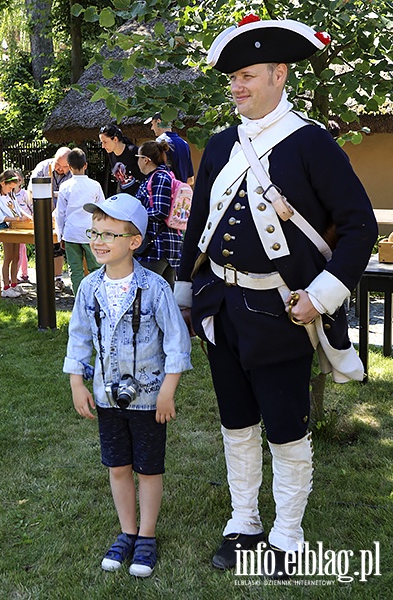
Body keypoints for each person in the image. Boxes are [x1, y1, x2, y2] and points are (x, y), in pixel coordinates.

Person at [174, 16, 378, 578]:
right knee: (235, 421)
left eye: (246, 76)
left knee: (286, 425)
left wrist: (322, 295)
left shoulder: (311, 143)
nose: (236, 87)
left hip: (283, 311)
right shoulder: (220, 144)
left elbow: (360, 227)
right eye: (232, 78)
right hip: (221, 306)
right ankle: (244, 522)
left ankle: (288, 533)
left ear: (279, 75)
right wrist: (188, 293)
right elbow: (199, 228)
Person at [63, 193, 192, 577]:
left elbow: (176, 344)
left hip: (149, 400)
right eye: (94, 232)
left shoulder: (155, 289)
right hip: (106, 398)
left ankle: (147, 537)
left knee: (149, 469)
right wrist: (77, 382)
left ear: (134, 242)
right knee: (118, 467)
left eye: (109, 234)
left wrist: (168, 390)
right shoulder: (88, 288)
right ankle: (127, 532)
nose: (98, 241)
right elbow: (79, 338)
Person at [55, 148, 105, 295]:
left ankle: (79, 300)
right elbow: (101, 210)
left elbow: (60, 213)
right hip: (90, 232)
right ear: (86, 165)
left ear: (69, 167)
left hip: (71, 233)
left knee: (75, 270)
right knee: (95, 267)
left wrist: (60, 236)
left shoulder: (65, 186)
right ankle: (96, 298)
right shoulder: (95, 185)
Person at [135, 140, 183, 289]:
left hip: (158, 247)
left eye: (138, 157)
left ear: (146, 159)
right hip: (164, 245)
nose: (137, 161)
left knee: (145, 292)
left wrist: (138, 214)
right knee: (165, 296)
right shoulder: (161, 176)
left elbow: (161, 211)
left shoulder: (159, 177)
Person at [27, 147, 72, 291]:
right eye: (58, 165)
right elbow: (31, 190)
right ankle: (43, 280)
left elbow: (71, 197)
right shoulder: (43, 167)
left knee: (57, 248)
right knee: (43, 247)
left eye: (65, 166)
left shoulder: (72, 173)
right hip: (41, 214)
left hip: (61, 217)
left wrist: (58, 213)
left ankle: (58, 279)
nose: (60, 169)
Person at [0, 170, 31, 297]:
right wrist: (18, 219)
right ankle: (5, 287)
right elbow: (1, 217)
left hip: (16, 227)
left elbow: (18, 209)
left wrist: (29, 217)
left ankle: (14, 284)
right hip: (6, 228)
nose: (11, 190)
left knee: (16, 257)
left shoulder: (11, 195)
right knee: (8, 257)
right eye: (9, 188)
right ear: (3, 183)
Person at [144, 112, 195, 185]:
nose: (151, 128)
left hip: (166, 191)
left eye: (152, 124)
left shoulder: (159, 142)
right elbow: (190, 179)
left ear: (158, 121)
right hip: (181, 192)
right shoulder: (184, 144)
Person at [99, 124, 142, 196]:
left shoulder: (133, 151)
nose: (103, 146)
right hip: (122, 196)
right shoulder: (111, 154)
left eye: (105, 142)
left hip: (138, 196)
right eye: (101, 143)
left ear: (115, 139)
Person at [14, 169, 33, 284]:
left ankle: (19, 274)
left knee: (21, 250)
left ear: (21, 181)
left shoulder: (24, 194)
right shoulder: (8, 195)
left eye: (17, 179)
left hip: (25, 225)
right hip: (14, 225)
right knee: (20, 250)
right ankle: (23, 274)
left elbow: (31, 207)